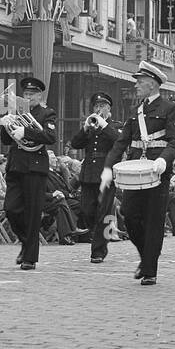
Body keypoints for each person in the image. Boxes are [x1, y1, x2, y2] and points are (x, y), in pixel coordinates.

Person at [102, 60, 175, 287]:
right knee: (129, 214)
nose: (136, 85)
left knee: (154, 220)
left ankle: (150, 269)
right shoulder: (136, 110)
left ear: (151, 84)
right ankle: (145, 257)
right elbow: (121, 143)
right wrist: (108, 168)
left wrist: (163, 160)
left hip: (157, 171)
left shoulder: (170, 108)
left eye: (139, 82)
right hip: (134, 172)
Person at [2, 76, 57, 272]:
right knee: (11, 208)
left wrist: (25, 132)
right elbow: (6, 141)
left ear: (39, 95)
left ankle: (30, 258)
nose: (28, 96)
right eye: (25, 93)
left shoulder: (47, 113)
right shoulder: (17, 112)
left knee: (33, 213)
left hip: (35, 167)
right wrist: (5, 121)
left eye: (32, 93)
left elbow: (51, 137)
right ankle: (26, 242)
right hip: (16, 165)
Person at [70, 92, 122, 263]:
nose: (99, 110)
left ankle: (98, 250)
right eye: (96, 107)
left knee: (103, 212)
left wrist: (104, 125)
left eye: (102, 106)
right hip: (89, 174)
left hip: (106, 174)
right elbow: (75, 143)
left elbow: (118, 141)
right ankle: (99, 236)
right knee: (86, 211)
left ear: (109, 109)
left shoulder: (115, 126)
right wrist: (85, 128)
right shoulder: (90, 127)